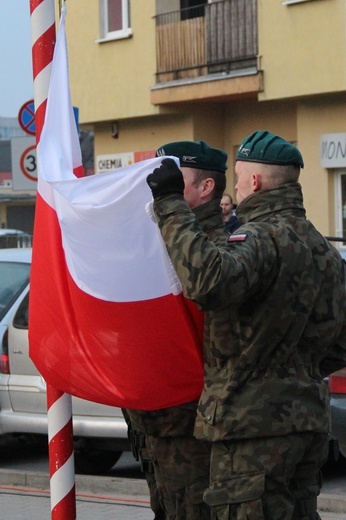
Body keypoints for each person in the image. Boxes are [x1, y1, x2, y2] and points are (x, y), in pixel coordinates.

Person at [146, 130, 346, 520]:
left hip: (250, 430)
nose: (234, 188)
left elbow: (207, 280)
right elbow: (341, 342)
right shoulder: (324, 249)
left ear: (254, 182)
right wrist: (294, 371)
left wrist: (170, 204)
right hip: (306, 421)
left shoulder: (256, 238)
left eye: (238, 178)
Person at [124, 140, 229, 520]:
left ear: (206, 188)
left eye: (173, 178)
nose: (158, 185)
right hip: (154, 422)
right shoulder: (154, 243)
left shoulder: (219, 249)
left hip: (193, 426)